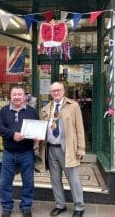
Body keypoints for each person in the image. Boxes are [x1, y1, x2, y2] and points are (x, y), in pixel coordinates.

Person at [40, 82, 85, 217]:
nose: (56, 93)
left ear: (63, 90)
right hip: (51, 149)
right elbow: (42, 129)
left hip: (68, 149)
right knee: (55, 179)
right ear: (50, 93)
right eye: (53, 91)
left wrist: (81, 149)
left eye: (58, 90)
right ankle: (60, 205)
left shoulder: (73, 106)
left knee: (74, 179)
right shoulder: (46, 109)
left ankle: (79, 207)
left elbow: (80, 129)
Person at [0, 86, 39, 217]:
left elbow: (37, 128)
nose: (17, 97)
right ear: (11, 96)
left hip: (26, 153)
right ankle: (7, 207)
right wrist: (12, 134)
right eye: (15, 95)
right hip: (8, 153)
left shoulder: (31, 111)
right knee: (5, 182)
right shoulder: (4, 111)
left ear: (25, 96)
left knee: (28, 182)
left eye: (20, 94)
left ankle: (26, 206)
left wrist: (37, 137)